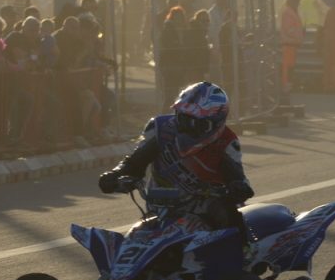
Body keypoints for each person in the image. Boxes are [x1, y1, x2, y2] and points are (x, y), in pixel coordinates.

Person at [98, 81, 254, 237]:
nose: (185, 128)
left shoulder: (227, 142)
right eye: (182, 118)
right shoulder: (160, 128)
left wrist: (238, 187)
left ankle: (243, 250)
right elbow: (135, 162)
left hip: (204, 209)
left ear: (215, 123)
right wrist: (116, 175)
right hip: (162, 208)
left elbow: (238, 177)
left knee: (228, 215)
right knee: (137, 235)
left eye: (194, 123)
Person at [280, 0, 304, 92]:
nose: (298, 3)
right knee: (288, 67)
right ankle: (286, 86)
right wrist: (297, 34)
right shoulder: (289, 13)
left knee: (290, 66)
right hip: (289, 44)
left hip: (292, 44)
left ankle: (289, 85)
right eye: (296, 1)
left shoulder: (292, 11)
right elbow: (289, 29)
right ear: (292, 2)